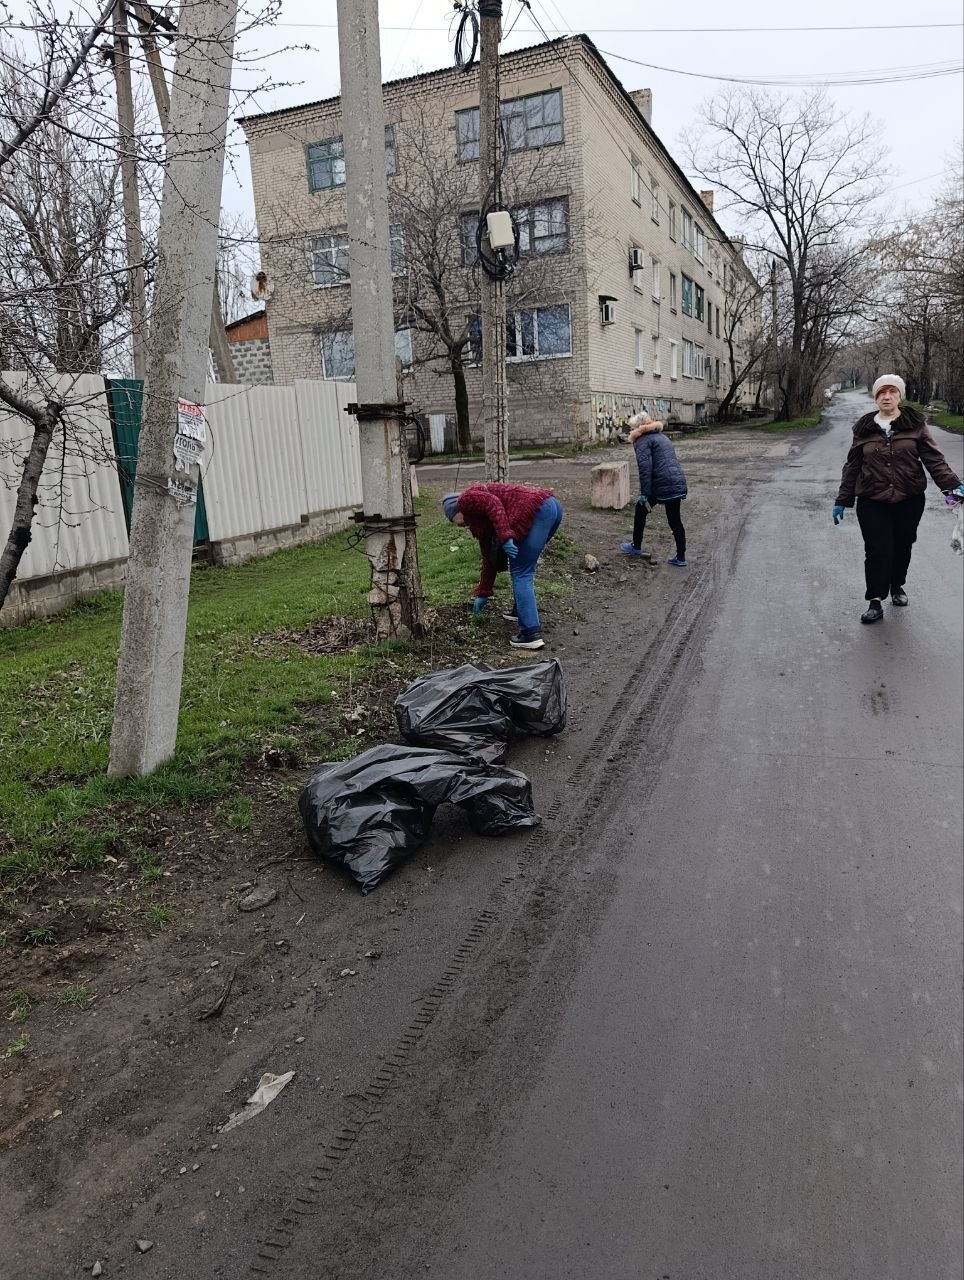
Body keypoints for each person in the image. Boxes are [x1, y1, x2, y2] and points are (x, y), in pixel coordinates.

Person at [833, 374, 963, 624]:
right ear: (875, 396)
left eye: (892, 391)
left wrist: (954, 488)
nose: (887, 396)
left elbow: (934, 461)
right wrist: (842, 499)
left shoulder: (915, 425)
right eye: (882, 392)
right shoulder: (864, 428)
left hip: (909, 499)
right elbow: (852, 466)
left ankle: (897, 586)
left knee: (902, 546)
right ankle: (875, 600)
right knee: (877, 549)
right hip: (872, 499)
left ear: (899, 396)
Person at [442, 482, 563, 651]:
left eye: (452, 519)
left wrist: (505, 537)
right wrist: (483, 591)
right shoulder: (481, 522)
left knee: (521, 572)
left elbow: (493, 503)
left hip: (537, 510)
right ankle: (519, 611)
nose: (457, 525)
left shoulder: (465, 500)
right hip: (551, 507)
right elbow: (488, 558)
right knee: (524, 567)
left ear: (455, 510)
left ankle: (530, 634)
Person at [619, 413, 688, 566]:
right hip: (676, 482)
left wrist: (644, 494)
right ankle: (681, 557)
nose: (630, 431)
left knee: (640, 510)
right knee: (675, 520)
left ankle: (636, 547)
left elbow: (645, 469)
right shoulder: (662, 436)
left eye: (631, 428)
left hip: (662, 485)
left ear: (638, 428)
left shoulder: (642, 440)